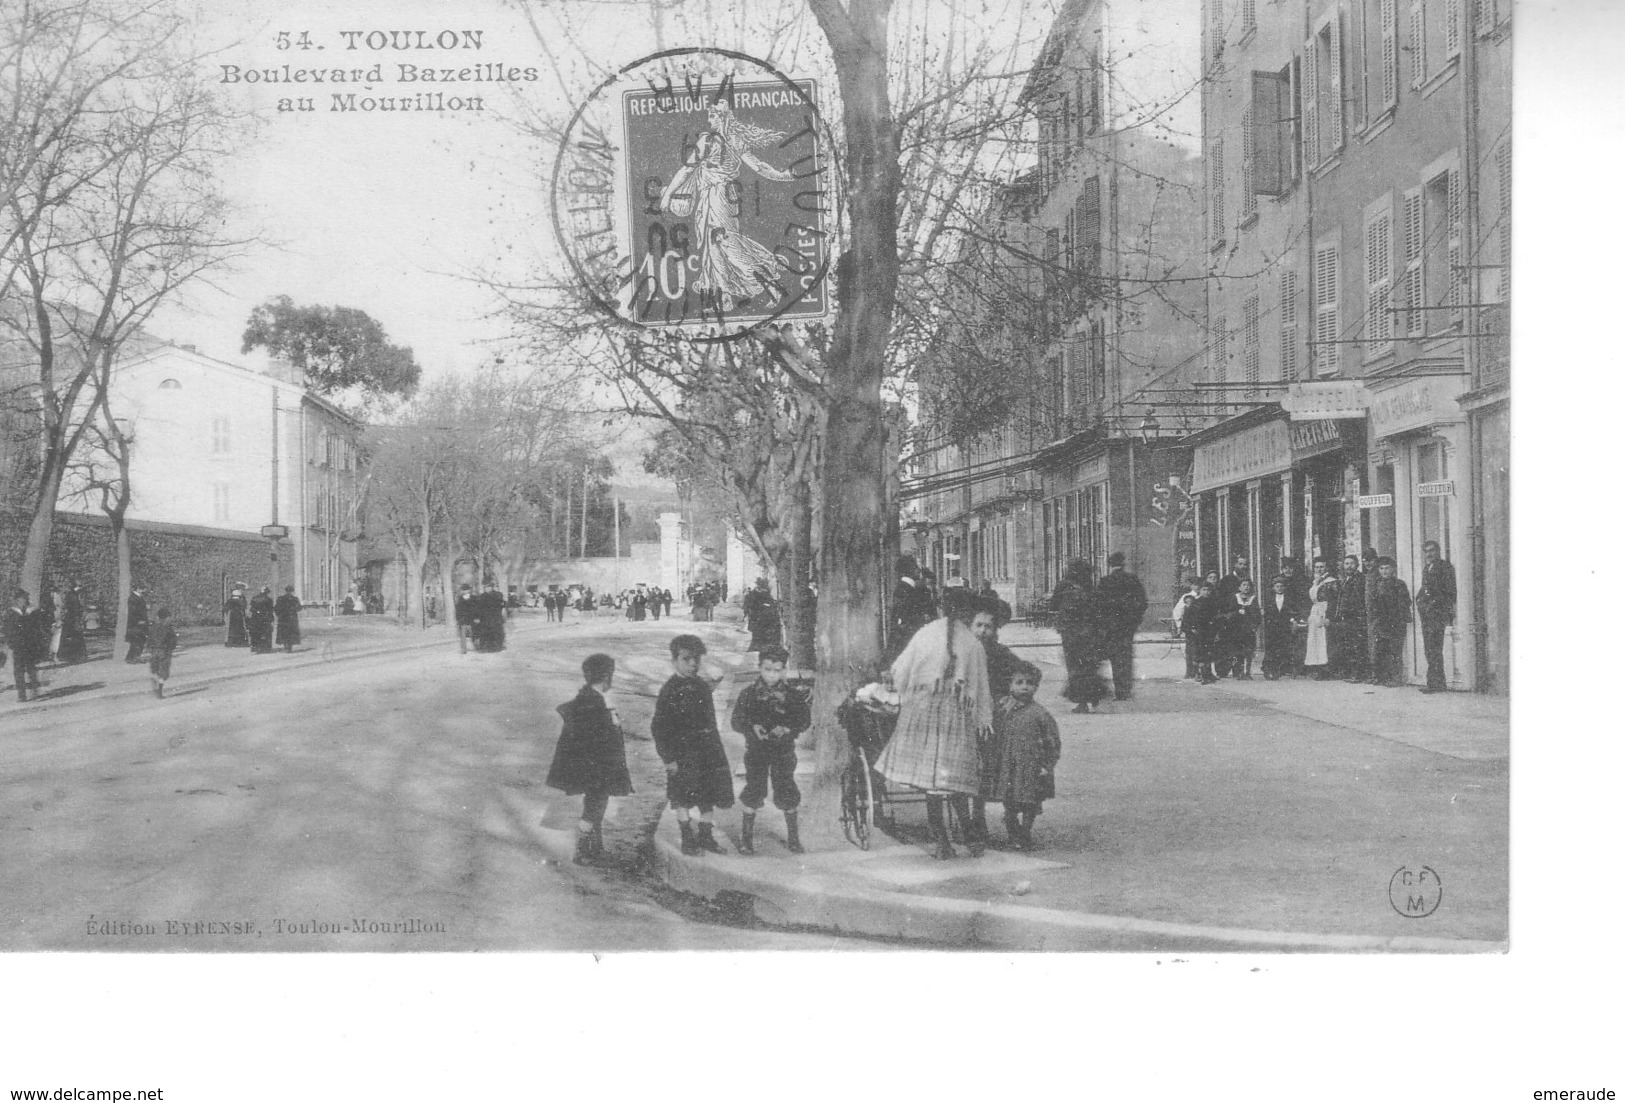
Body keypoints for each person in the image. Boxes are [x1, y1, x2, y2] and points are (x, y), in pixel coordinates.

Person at [873, 588, 994, 860]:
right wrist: (983, 716)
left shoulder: (926, 634)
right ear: (967, 612)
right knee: (954, 778)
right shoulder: (972, 643)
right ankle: (964, 834)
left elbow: (901, 669)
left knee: (933, 781)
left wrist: (895, 689)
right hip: (953, 715)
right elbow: (980, 685)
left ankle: (943, 839)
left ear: (941, 608)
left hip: (925, 712)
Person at [546, 653, 634, 865]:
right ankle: (584, 849)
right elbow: (598, 737)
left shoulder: (590, 697)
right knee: (595, 804)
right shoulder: (593, 702)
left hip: (593, 765)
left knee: (596, 803)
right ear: (606, 677)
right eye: (610, 675)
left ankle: (595, 847)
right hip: (595, 766)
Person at [652, 634, 734, 855]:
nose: (693, 664)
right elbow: (659, 728)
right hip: (682, 753)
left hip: (708, 751)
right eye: (686, 659)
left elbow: (709, 720)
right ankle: (687, 838)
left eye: (696, 659)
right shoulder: (669, 690)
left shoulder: (701, 686)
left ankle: (706, 836)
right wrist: (668, 758)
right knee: (683, 797)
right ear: (674, 661)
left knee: (709, 795)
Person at [729, 645, 811, 855]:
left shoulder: (793, 696)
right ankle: (746, 839)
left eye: (777, 670)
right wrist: (752, 727)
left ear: (784, 670)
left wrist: (786, 728)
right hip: (756, 751)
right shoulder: (748, 694)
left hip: (783, 751)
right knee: (754, 789)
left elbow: (803, 720)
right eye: (767, 669)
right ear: (759, 667)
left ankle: (793, 838)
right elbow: (736, 721)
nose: (772, 675)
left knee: (786, 789)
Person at [991, 662, 1062, 850]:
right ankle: (1012, 827)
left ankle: (1025, 831)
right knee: (1010, 799)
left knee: (1031, 800)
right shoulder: (1002, 709)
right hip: (1008, 764)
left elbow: (1052, 741)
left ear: (1036, 686)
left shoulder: (1040, 713)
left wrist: (1048, 764)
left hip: (1031, 765)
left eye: (1029, 683)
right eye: (1019, 682)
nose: (1024, 687)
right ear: (1009, 685)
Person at [1051, 558, 1105, 712]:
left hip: (1070, 633)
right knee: (1089, 665)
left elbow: (1053, 605)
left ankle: (1081, 703)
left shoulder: (1063, 585)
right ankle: (1094, 697)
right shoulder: (1090, 587)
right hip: (1089, 632)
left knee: (1074, 666)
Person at [1096, 551, 1148, 701]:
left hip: (1111, 627)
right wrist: (1135, 620)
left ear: (1109, 565)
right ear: (1123, 564)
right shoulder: (1132, 579)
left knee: (1114, 657)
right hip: (1127, 626)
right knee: (1125, 656)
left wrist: (1103, 623)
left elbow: (1098, 606)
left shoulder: (1105, 581)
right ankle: (1125, 689)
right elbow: (1142, 602)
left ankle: (1119, 690)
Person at [1416, 540, 1457, 694]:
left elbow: (1449, 591)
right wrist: (1419, 601)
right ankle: (1436, 682)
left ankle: (1435, 683)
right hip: (1427, 613)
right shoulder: (1427, 568)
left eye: (1432, 550)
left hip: (1437, 612)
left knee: (1434, 647)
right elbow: (1424, 589)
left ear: (1438, 551)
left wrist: (1435, 605)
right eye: (1426, 551)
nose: (1429, 554)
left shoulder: (1445, 567)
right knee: (1430, 648)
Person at [1370, 557, 1413, 687]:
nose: (1384, 571)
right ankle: (1381, 677)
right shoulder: (1377, 585)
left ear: (1393, 570)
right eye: (1381, 568)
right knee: (1381, 650)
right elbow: (1373, 604)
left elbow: (1405, 602)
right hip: (1381, 622)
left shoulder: (1399, 584)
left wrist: (1397, 614)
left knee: (1395, 651)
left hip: (1395, 622)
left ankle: (1395, 678)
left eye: (1387, 568)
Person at [889, 555, 937, 661]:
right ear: (910, 570)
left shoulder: (908, 588)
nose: (919, 570)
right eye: (916, 567)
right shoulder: (905, 589)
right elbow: (903, 617)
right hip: (908, 640)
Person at [1333, 553, 1369, 683]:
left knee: (1358, 646)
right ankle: (1352, 672)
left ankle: (1359, 674)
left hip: (1356, 617)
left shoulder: (1360, 579)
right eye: (1347, 564)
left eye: (1352, 563)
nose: (1349, 566)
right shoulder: (1344, 580)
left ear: (1357, 565)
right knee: (1349, 645)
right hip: (1346, 618)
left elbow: (1359, 599)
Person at [1259, 577, 1302, 680]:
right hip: (1272, 627)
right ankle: (1269, 669)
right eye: (1277, 586)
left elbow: (1295, 612)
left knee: (1284, 647)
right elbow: (1267, 614)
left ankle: (1283, 669)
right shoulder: (1269, 599)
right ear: (1273, 588)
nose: (1279, 588)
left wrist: (1292, 620)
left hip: (1284, 627)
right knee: (1271, 649)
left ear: (1284, 588)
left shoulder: (1289, 599)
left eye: (1281, 586)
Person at [1302, 557, 1339, 679]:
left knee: (1324, 639)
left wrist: (1328, 616)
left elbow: (1333, 601)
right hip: (1315, 611)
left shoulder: (1331, 581)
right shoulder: (1315, 581)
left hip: (1324, 610)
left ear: (1326, 567)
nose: (1319, 569)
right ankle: (1316, 666)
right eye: (1317, 567)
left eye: (1321, 566)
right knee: (1315, 640)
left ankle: (1326, 668)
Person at [5, 589, 43, 702]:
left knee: (31, 668)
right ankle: (22, 694)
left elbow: (37, 627)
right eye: (22, 599)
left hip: (30, 644)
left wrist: (37, 641)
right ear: (17, 600)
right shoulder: (11, 613)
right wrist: (11, 643)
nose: (24, 601)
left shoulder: (33, 611)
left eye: (26, 599)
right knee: (18, 670)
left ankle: (35, 691)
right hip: (18, 646)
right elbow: (8, 630)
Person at [1184, 580, 1223, 684]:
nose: (1206, 592)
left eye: (1208, 590)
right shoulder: (1196, 603)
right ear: (1200, 591)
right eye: (1204, 590)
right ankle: (1201, 674)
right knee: (1200, 653)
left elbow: (1217, 617)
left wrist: (1217, 629)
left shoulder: (1213, 603)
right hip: (1199, 632)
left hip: (1210, 631)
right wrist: (1192, 628)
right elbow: (1189, 618)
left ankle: (1208, 673)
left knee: (1209, 652)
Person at [1225, 578, 1262, 680]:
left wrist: (1254, 626)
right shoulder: (1235, 598)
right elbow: (1229, 612)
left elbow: (1257, 615)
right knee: (1237, 651)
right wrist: (1236, 613)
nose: (1246, 587)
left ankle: (1247, 672)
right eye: (1244, 585)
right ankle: (1238, 671)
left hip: (1248, 630)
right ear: (1239, 587)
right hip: (1237, 630)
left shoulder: (1253, 599)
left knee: (1248, 651)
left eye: (1248, 585)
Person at [1173, 575, 1202, 679]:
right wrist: (1179, 626)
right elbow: (1178, 611)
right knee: (1190, 649)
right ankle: (1190, 671)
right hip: (1190, 627)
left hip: (1201, 627)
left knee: (1201, 649)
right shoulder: (1187, 597)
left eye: (1199, 585)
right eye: (1195, 585)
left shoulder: (1203, 596)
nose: (1197, 587)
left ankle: (1201, 671)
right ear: (1191, 586)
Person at [742, 578, 781, 652]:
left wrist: (771, 604)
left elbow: (770, 601)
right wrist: (763, 605)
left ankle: (760, 647)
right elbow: (751, 604)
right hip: (756, 615)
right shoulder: (754, 593)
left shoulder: (765, 592)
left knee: (762, 631)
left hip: (763, 616)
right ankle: (755, 647)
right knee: (756, 632)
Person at [148, 606, 178, 699]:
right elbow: (173, 640)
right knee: (163, 673)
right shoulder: (168, 627)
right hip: (164, 652)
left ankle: (155, 682)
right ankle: (159, 692)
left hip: (154, 651)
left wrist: (150, 649)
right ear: (167, 617)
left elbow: (149, 639)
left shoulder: (153, 627)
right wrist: (171, 648)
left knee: (156, 670)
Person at [57, 581, 86, 664]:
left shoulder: (71, 595)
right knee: (74, 636)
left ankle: (68, 655)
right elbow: (75, 608)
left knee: (70, 636)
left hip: (70, 618)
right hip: (72, 618)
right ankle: (73, 656)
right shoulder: (73, 595)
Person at [125, 584, 150, 663]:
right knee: (137, 640)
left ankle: (134, 656)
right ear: (138, 588)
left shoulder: (138, 597)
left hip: (140, 622)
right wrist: (138, 621)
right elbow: (132, 612)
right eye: (144, 588)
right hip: (136, 623)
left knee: (141, 639)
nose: (145, 590)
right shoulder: (133, 598)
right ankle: (132, 657)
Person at [274, 586, 302, 653]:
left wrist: (279, 615)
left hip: (283, 618)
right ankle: (290, 647)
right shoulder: (295, 599)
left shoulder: (280, 598)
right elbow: (299, 608)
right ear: (292, 591)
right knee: (291, 633)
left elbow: (276, 608)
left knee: (284, 632)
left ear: (286, 591)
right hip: (292, 618)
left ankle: (285, 646)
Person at [248, 586, 275, 653]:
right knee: (266, 633)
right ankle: (266, 648)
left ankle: (255, 647)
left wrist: (257, 612)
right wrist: (271, 618)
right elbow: (270, 610)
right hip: (265, 618)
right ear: (266, 592)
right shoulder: (269, 599)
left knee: (256, 633)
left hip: (256, 618)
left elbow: (252, 609)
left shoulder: (254, 598)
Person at [455, 584, 478, 654]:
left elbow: (477, 609)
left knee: (473, 633)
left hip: (472, 619)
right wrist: (458, 619)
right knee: (463, 635)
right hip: (463, 619)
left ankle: (476, 646)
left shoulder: (474, 598)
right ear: (462, 591)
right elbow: (458, 610)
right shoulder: (459, 599)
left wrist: (477, 617)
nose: (466, 592)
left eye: (467, 590)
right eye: (464, 590)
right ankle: (463, 649)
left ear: (470, 590)